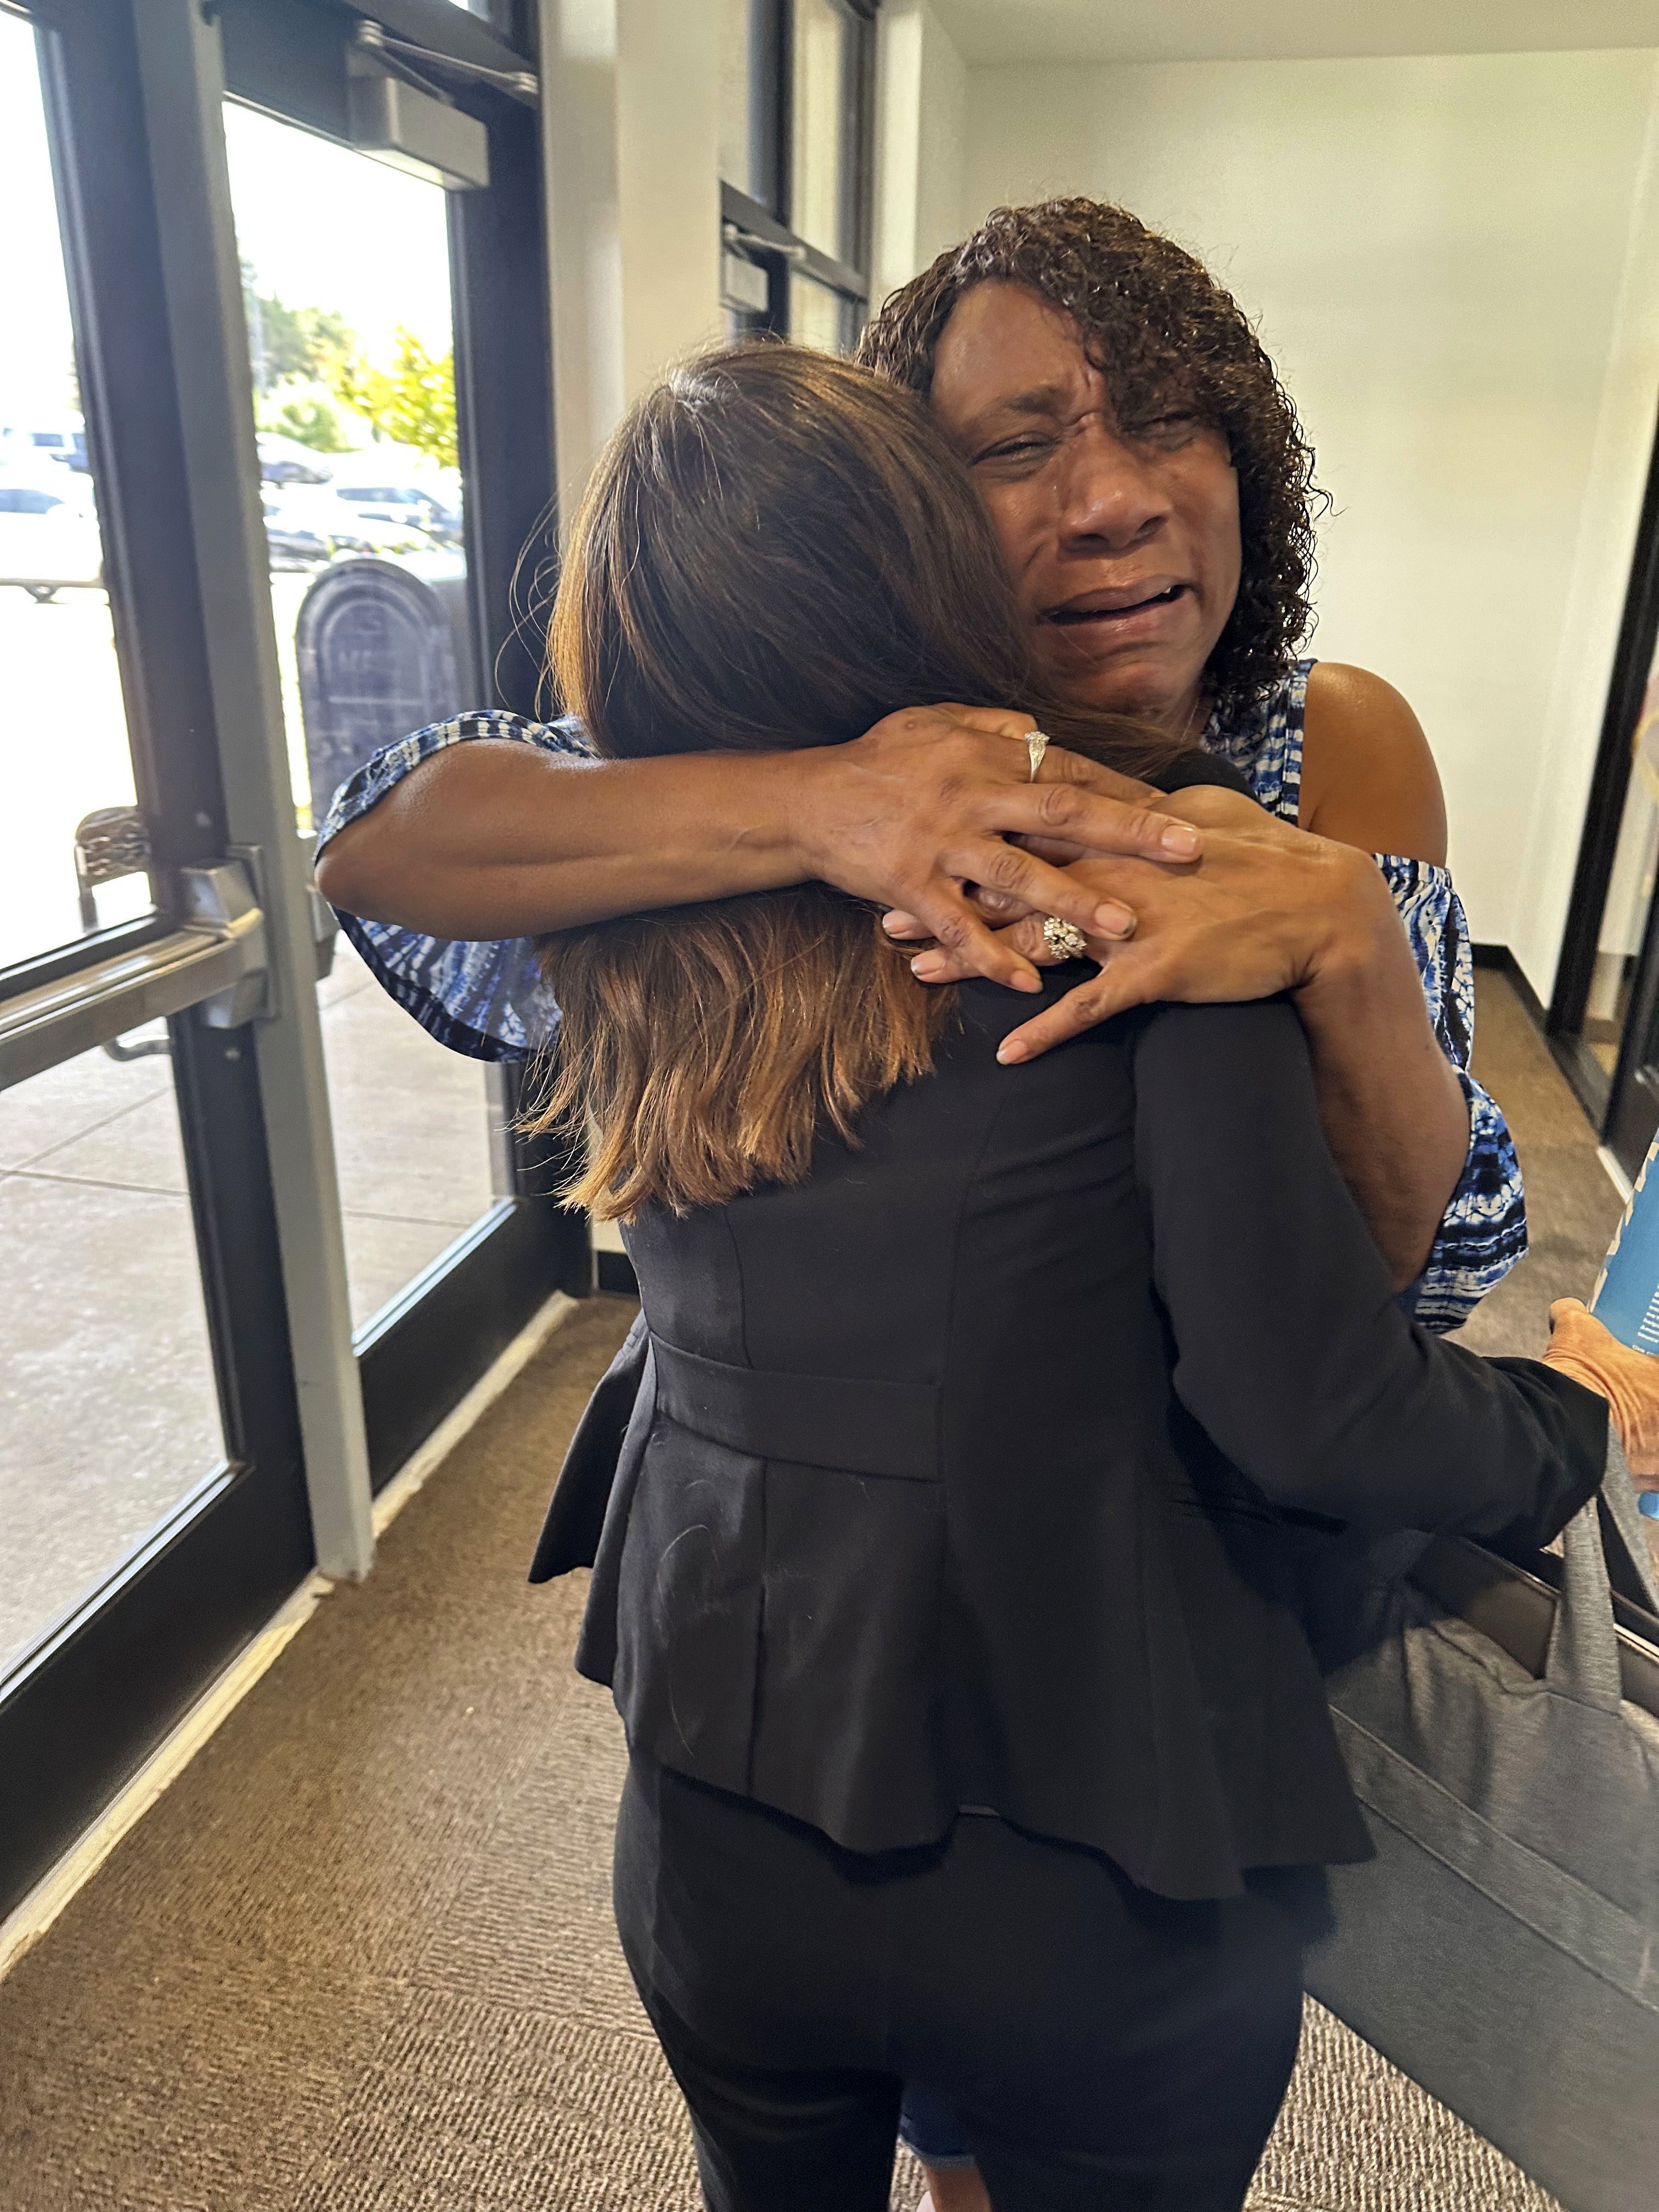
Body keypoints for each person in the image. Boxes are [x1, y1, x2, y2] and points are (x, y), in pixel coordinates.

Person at [516, 340, 1639, 2212]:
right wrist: (1560, 1426)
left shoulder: (614, 909)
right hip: (1095, 1869)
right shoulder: (1123, 873)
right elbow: (1309, 1404)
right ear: (931, 571)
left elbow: (385, 838)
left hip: (716, 1836)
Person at [314, 198, 1521, 1336]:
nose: (1107, 499)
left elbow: (1425, 1285)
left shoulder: (1327, 741)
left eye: (1163, 422)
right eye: (1015, 445)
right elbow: (381, 844)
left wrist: (1354, 949)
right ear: (908, 513)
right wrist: (814, 804)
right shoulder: (835, 739)